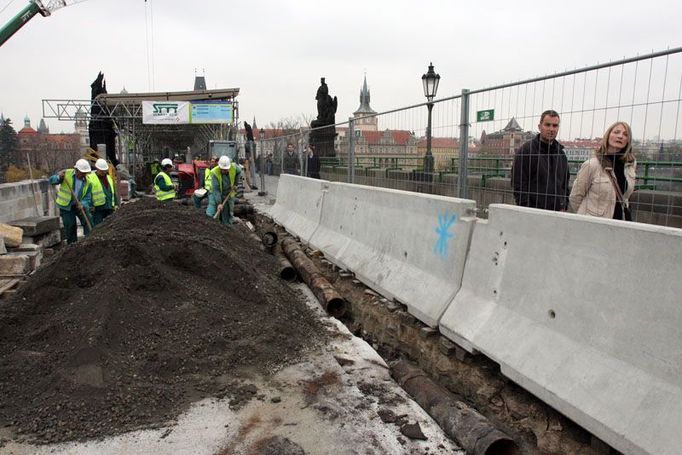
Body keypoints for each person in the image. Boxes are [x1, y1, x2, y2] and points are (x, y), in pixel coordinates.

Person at [569, 121, 637, 220]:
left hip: (621, 222)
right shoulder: (592, 165)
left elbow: (626, 196)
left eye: (625, 134)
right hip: (595, 225)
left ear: (628, 140)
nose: (620, 136)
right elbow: (575, 197)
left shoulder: (630, 165)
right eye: (616, 132)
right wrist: (587, 217)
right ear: (608, 135)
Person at [511, 110, 569, 211]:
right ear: (539, 126)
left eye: (555, 126)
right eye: (547, 125)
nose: (551, 129)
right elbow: (518, 184)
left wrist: (563, 205)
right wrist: (527, 209)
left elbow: (565, 185)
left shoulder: (561, 154)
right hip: (533, 213)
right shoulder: (526, 151)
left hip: (557, 213)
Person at [49, 159, 93, 244]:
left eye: (85, 173)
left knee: (88, 220)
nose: (83, 175)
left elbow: (87, 197)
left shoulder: (88, 182)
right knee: (70, 225)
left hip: (78, 205)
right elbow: (51, 180)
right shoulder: (67, 174)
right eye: (82, 173)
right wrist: (58, 177)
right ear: (76, 170)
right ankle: (72, 245)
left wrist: (83, 204)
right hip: (66, 206)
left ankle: (88, 241)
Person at [210, 155, 242, 225]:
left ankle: (229, 223)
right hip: (220, 193)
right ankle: (223, 224)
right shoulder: (214, 173)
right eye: (223, 169)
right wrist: (219, 203)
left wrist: (235, 184)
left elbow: (239, 172)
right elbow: (216, 190)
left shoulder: (233, 167)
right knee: (221, 209)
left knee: (230, 209)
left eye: (226, 169)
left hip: (229, 192)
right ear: (219, 167)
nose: (224, 171)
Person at [89, 158, 117, 226]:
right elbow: (87, 193)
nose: (103, 172)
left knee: (111, 226)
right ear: (97, 168)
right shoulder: (90, 178)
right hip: (98, 208)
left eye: (104, 170)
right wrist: (91, 205)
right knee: (98, 227)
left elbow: (112, 191)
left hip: (109, 206)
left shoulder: (109, 178)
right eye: (101, 170)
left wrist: (115, 204)